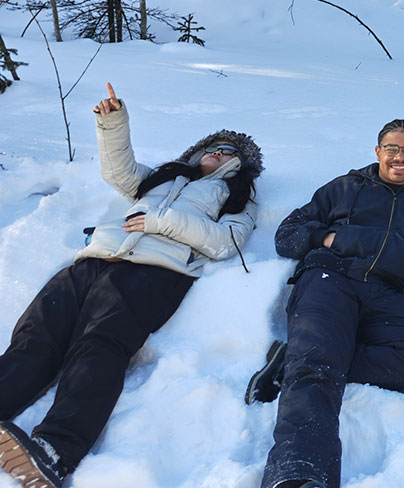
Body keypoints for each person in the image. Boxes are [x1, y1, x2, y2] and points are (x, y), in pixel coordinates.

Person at [0, 83, 262, 488]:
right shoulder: (163, 178)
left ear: (239, 165)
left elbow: (225, 243)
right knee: (36, 336)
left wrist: (162, 223)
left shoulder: (238, 195)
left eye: (230, 152)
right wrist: (112, 122)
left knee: (101, 344)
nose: (220, 153)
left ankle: (54, 450)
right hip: (97, 258)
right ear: (197, 151)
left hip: (156, 271)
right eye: (214, 146)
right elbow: (118, 170)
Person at [248, 119, 404, 488]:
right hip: (330, 278)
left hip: (386, 289)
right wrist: (331, 238)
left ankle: (295, 356)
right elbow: (287, 236)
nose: (400, 157)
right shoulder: (343, 188)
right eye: (392, 148)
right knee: (316, 367)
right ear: (378, 152)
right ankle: (299, 471)